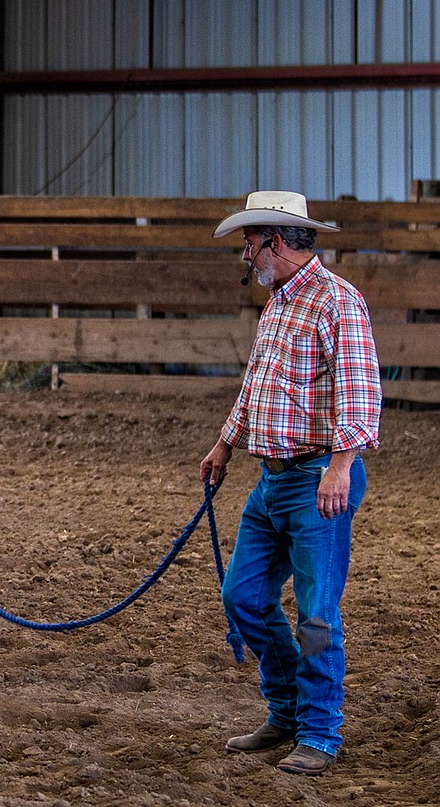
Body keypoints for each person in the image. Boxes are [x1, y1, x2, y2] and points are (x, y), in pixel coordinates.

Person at [200, 191, 382, 776]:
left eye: (249, 243)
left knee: (317, 612)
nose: (246, 254)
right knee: (244, 597)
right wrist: (226, 442)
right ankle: (286, 710)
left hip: (315, 477)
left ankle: (320, 732)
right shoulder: (279, 304)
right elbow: (258, 386)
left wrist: (340, 466)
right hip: (273, 478)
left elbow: (360, 393)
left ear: (275, 241)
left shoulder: (338, 301)